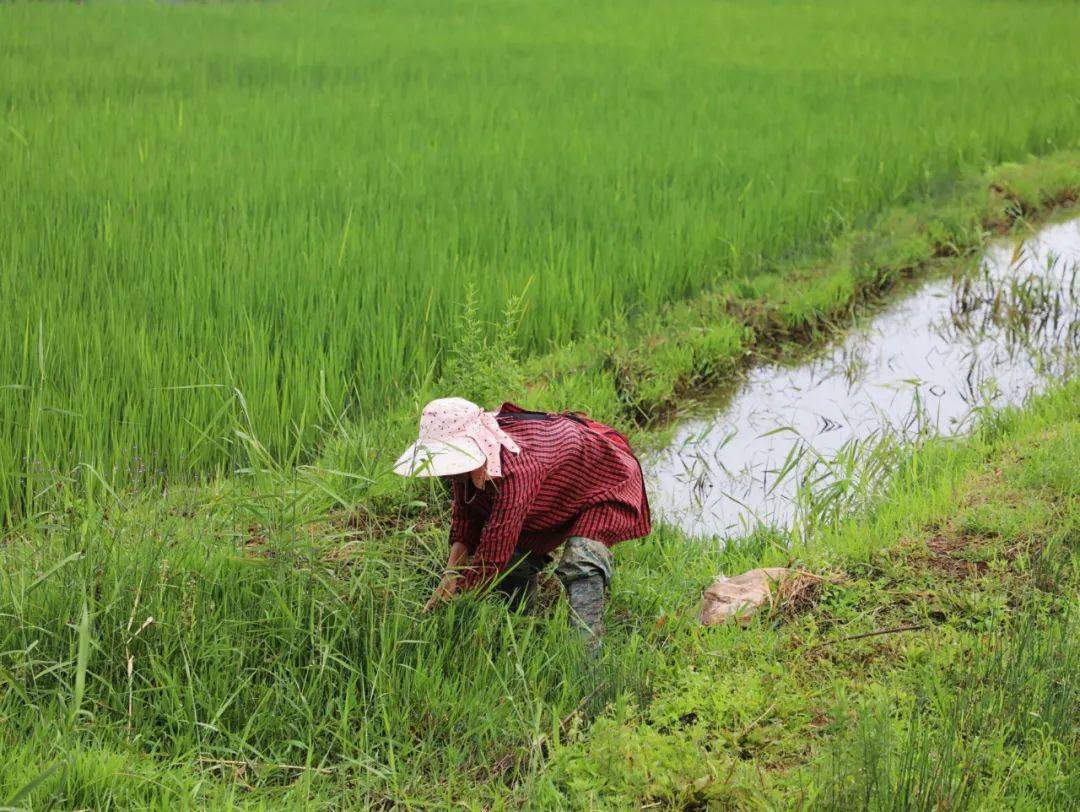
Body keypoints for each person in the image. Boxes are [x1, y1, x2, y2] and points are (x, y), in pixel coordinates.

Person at [394, 397, 651, 643]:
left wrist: (453, 606)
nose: (450, 472)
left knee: (581, 560)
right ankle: (518, 634)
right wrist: (451, 574)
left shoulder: (518, 469)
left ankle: (586, 662)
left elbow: (494, 552)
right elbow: (466, 517)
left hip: (605, 478)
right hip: (554, 490)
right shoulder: (471, 465)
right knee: (515, 561)